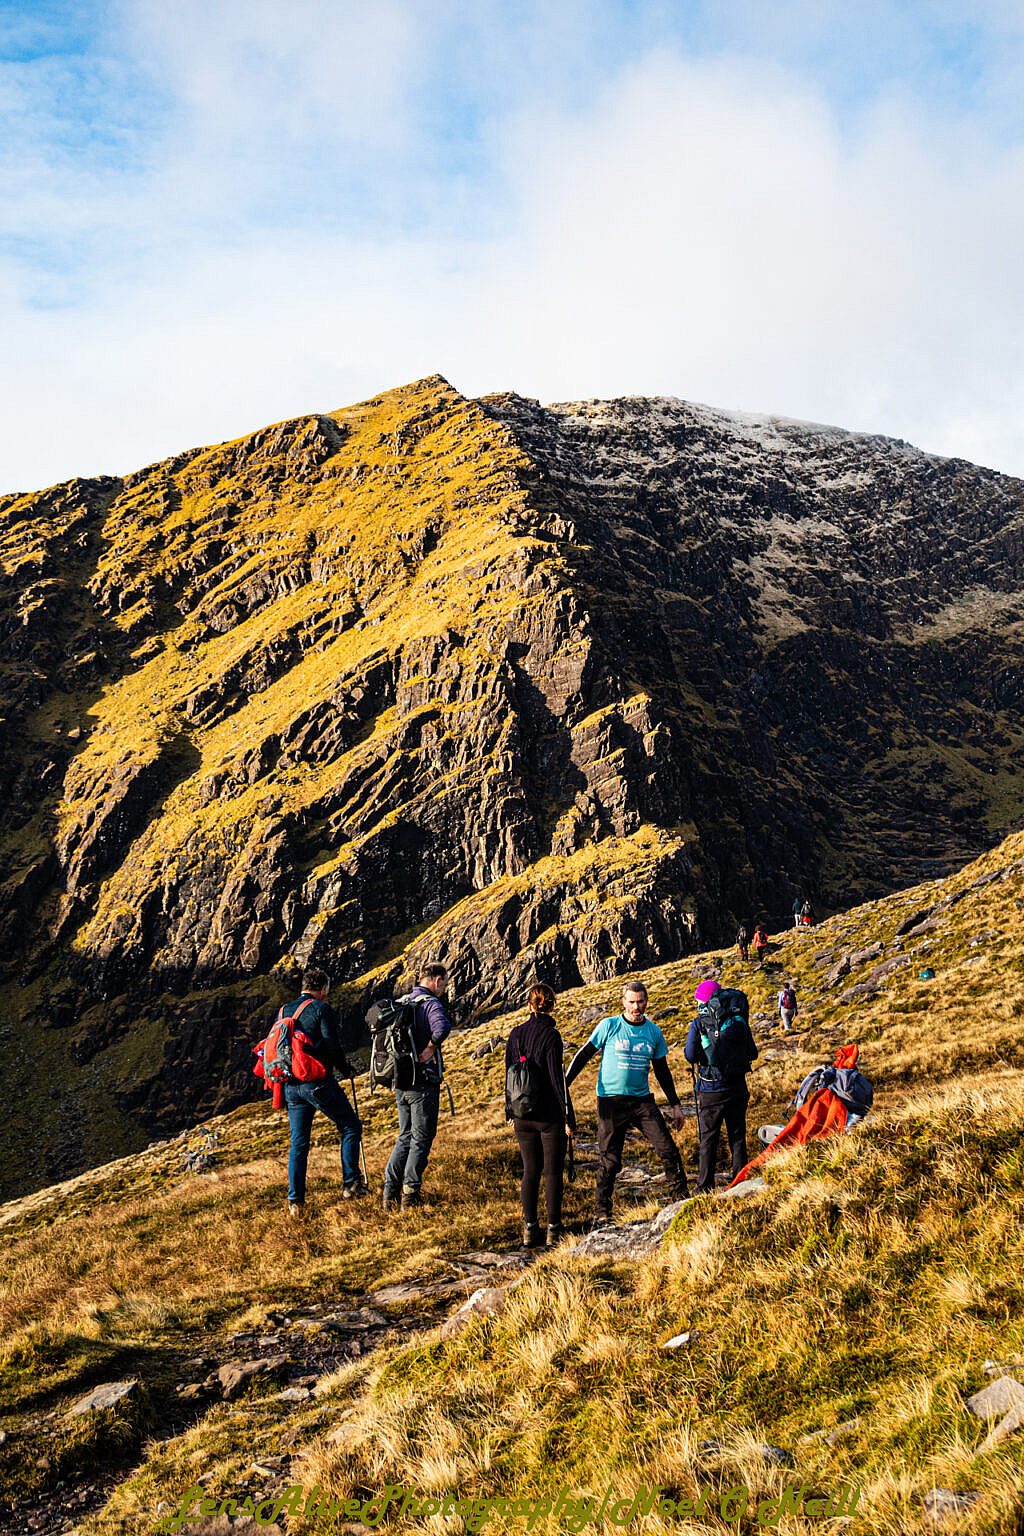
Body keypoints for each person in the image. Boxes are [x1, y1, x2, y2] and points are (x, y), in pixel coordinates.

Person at [564, 980, 688, 1227]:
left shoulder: (653, 1032)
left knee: (668, 1150)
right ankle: (602, 1213)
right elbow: (584, 1054)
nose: (636, 1007)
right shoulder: (608, 1026)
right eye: (631, 1002)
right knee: (610, 1159)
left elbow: (662, 1071)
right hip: (611, 1101)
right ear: (623, 1002)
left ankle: (681, 1202)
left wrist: (675, 1105)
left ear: (646, 1001)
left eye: (640, 1001)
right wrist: (563, 1084)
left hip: (642, 1101)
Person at [282, 968, 365, 1218]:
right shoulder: (321, 1009)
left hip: (290, 1085)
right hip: (316, 1081)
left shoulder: (285, 1010)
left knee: (299, 1143)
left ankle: (295, 1201)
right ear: (324, 989)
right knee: (350, 1126)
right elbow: (331, 1045)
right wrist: (344, 1069)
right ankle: (351, 1184)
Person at [505, 982, 575, 1247]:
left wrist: (509, 1109)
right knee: (553, 1171)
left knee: (530, 1170)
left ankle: (530, 1228)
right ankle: (553, 1229)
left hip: (522, 1114)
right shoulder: (551, 1036)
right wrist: (569, 1116)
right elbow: (558, 1079)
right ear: (551, 1006)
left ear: (529, 1005)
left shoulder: (516, 1034)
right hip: (549, 1115)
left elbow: (509, 1074)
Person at [382, 962, 454, 1212]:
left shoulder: (403, 1001)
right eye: (444, 982)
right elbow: (442, 1027)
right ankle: (409, 1195)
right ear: (435, 980)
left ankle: (389, 1192)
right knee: (421, 1138)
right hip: (422, 1082)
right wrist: (430, 1048)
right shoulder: (430, 1003)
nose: (444, 988)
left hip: (400, 1081)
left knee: (405, 1136)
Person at [685, 979, 758, 1193]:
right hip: (737, 1086)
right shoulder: (737, 1018)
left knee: (709, 1138)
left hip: (711, 1090)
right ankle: (740, 1179)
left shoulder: (699, 1022)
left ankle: (705, 1185)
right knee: (737, 1135)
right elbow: (752, 1052)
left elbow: (690, 1054)